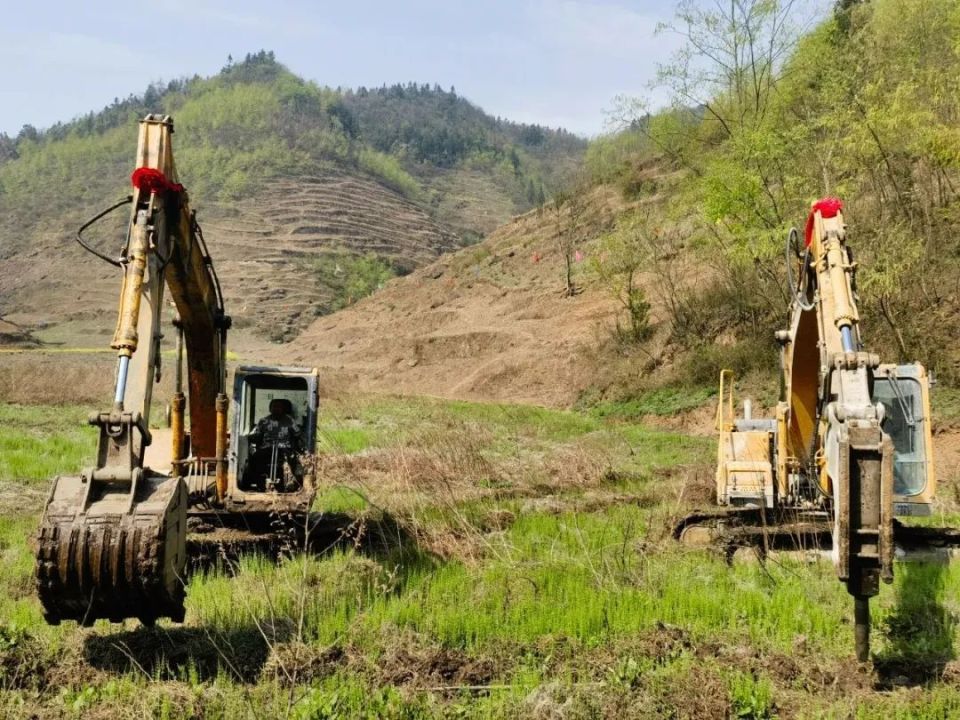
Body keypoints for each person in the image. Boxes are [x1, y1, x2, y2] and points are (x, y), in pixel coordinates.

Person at [245, 399, 304, 491]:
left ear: (283, 409)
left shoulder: (290, 421)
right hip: (267, 448)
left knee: (292, 461)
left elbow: (298, 434)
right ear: (270, 408)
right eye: (274, 407)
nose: (276, 409)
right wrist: (250, 438)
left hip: (284, 448)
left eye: (279, 407)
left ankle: (292, 484)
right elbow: (255, 435)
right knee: (255, 459)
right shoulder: (263, 421)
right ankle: (259, 484)